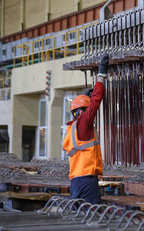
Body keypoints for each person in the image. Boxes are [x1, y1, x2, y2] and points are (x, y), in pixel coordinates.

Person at [62, 54, 109, 204]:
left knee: (78, 219)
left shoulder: (73, 127)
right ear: (82, 111)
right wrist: (101, 75)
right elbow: (96, 102)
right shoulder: (83, 123)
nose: (91, 114)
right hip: (87, 181)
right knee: (92, 218)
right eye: (87, 110)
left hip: (76, 181)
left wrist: (84, 97)